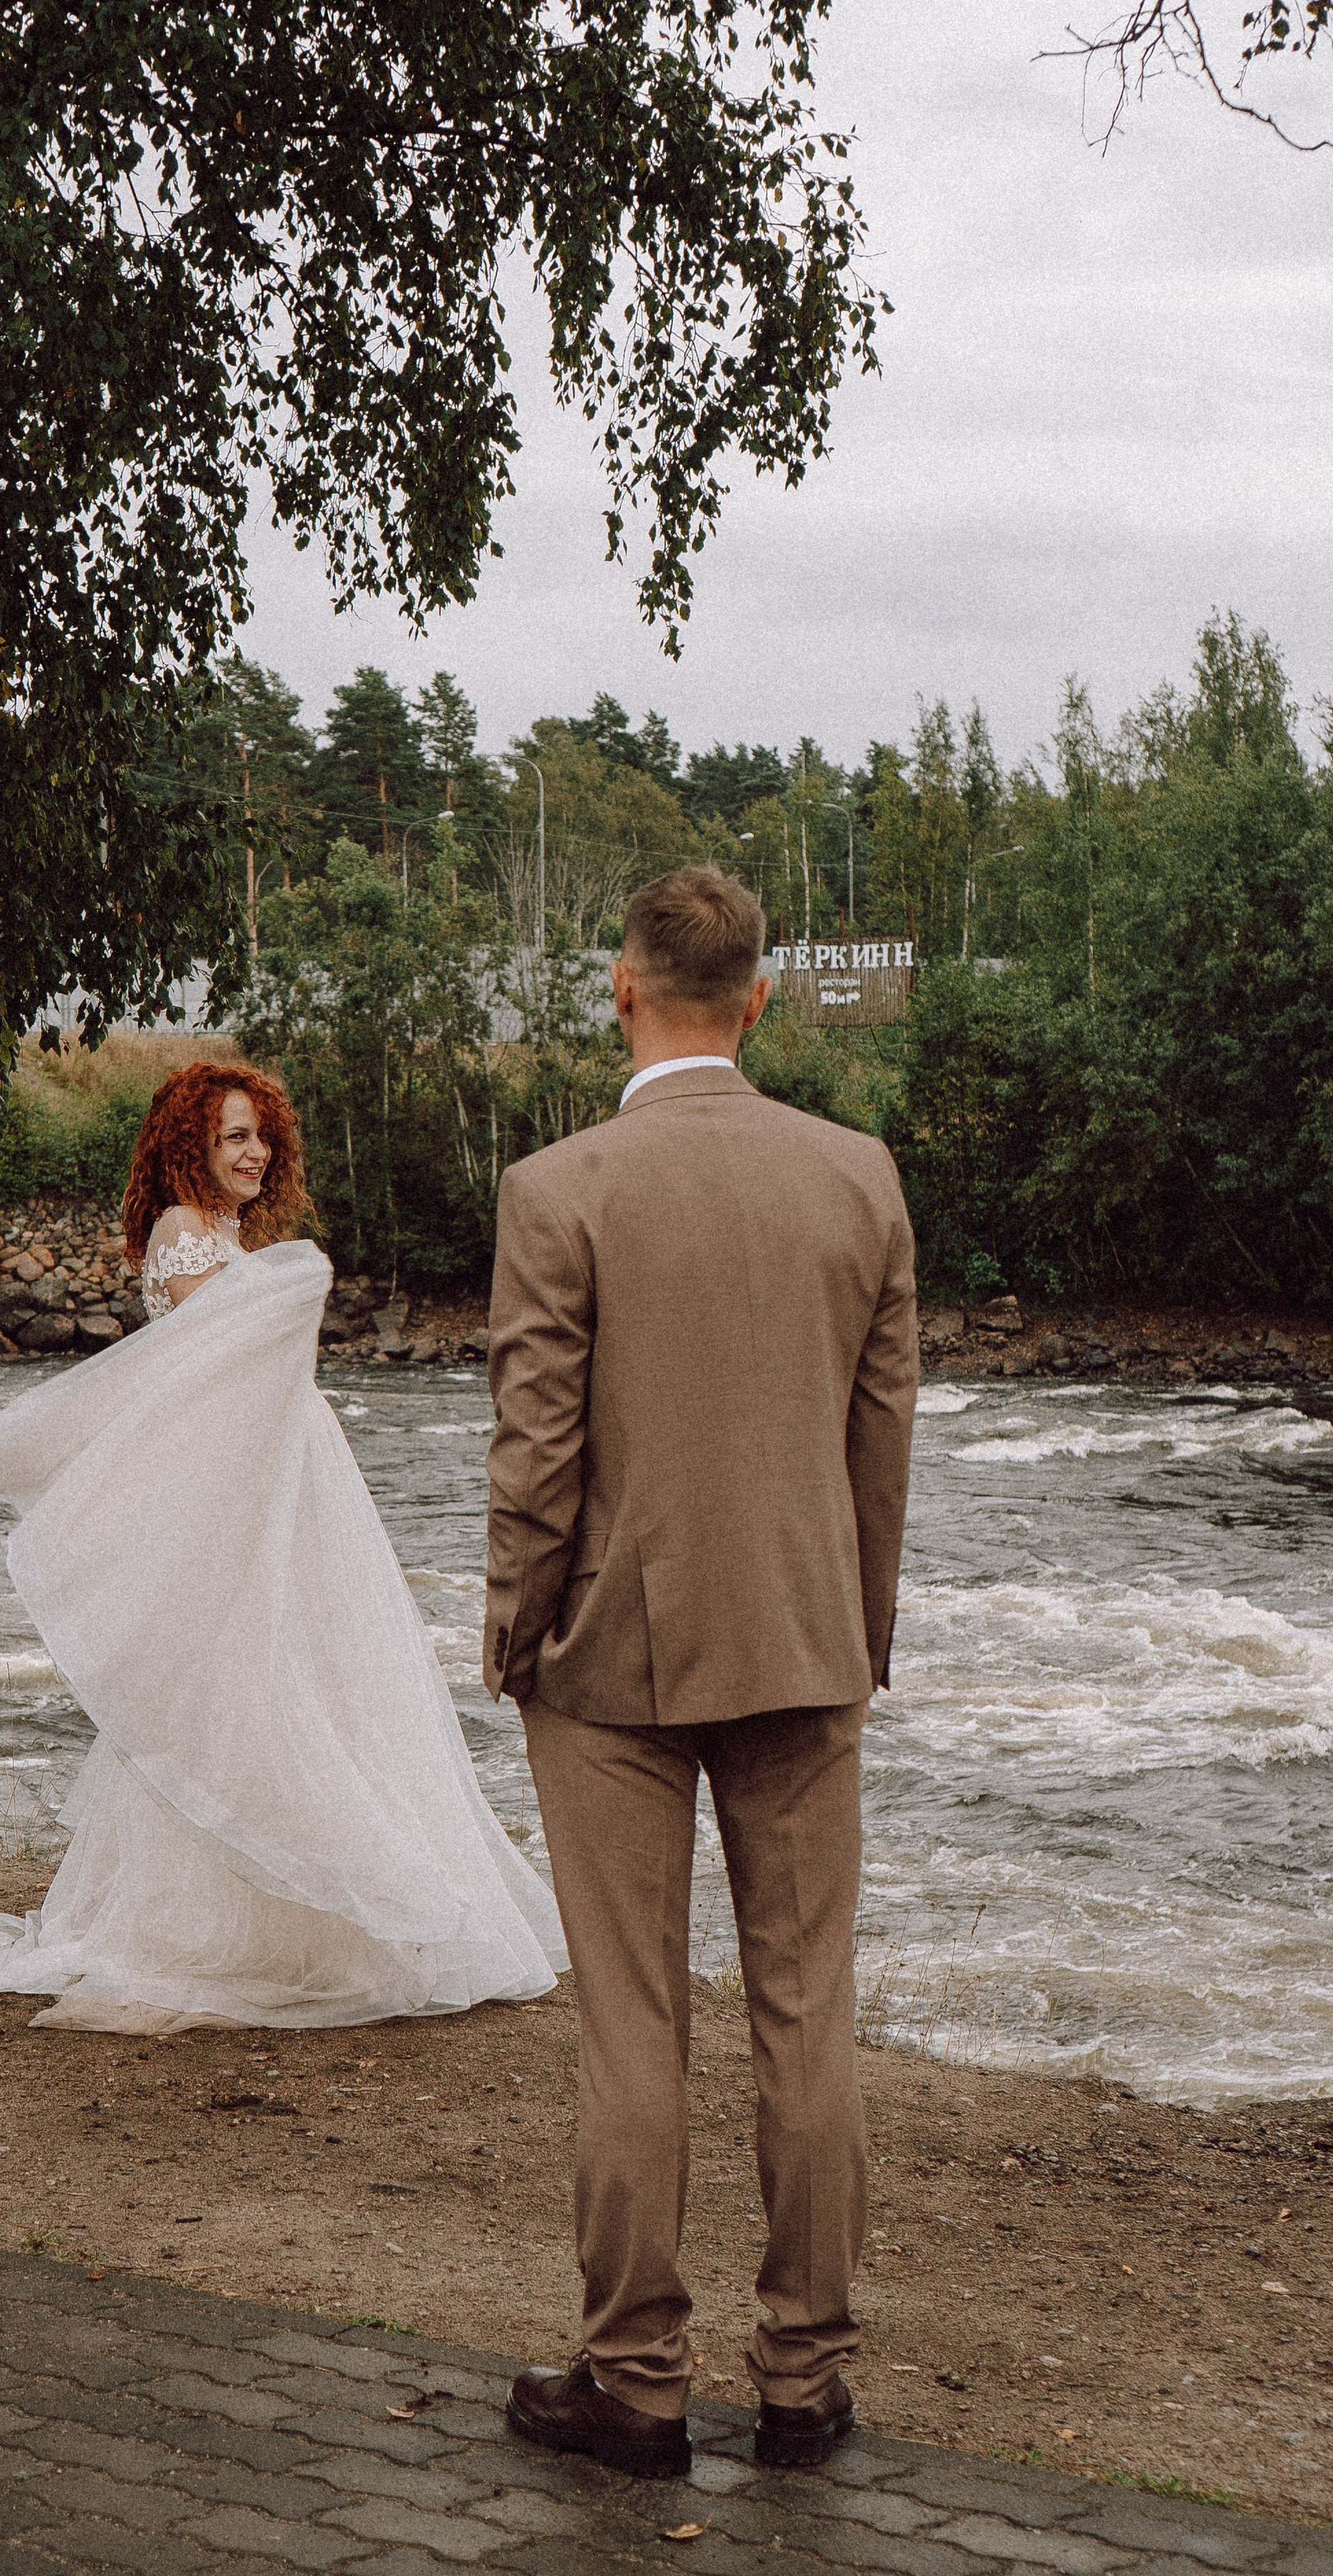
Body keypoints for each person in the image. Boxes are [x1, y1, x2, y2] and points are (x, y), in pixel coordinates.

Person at [487, 868, 917, 2480]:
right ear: (757, 997)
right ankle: (802, 2383)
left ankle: (635, 2381)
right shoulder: (857, 1179)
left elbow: (535, 1453)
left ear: (621, 988)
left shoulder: (560, 1188)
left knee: (634, 2025)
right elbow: (880, 1445)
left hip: (610, 1657)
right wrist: (856, 1631)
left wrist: (513, 1632)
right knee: (808, 2018)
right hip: (809, 1643)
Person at [0, 1058, 564, 2032]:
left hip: (284, 1481)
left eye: (262, 1136)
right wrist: (297, 1283)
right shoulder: (183, 1235)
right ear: (191, 1148)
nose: (255, 1153)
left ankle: (300, 1918)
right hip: (239, 1491)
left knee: (307, 1683)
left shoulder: (225, 1238)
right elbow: (208, 1377)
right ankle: (214, 1929)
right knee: (235, 1690)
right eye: (233, 1138)